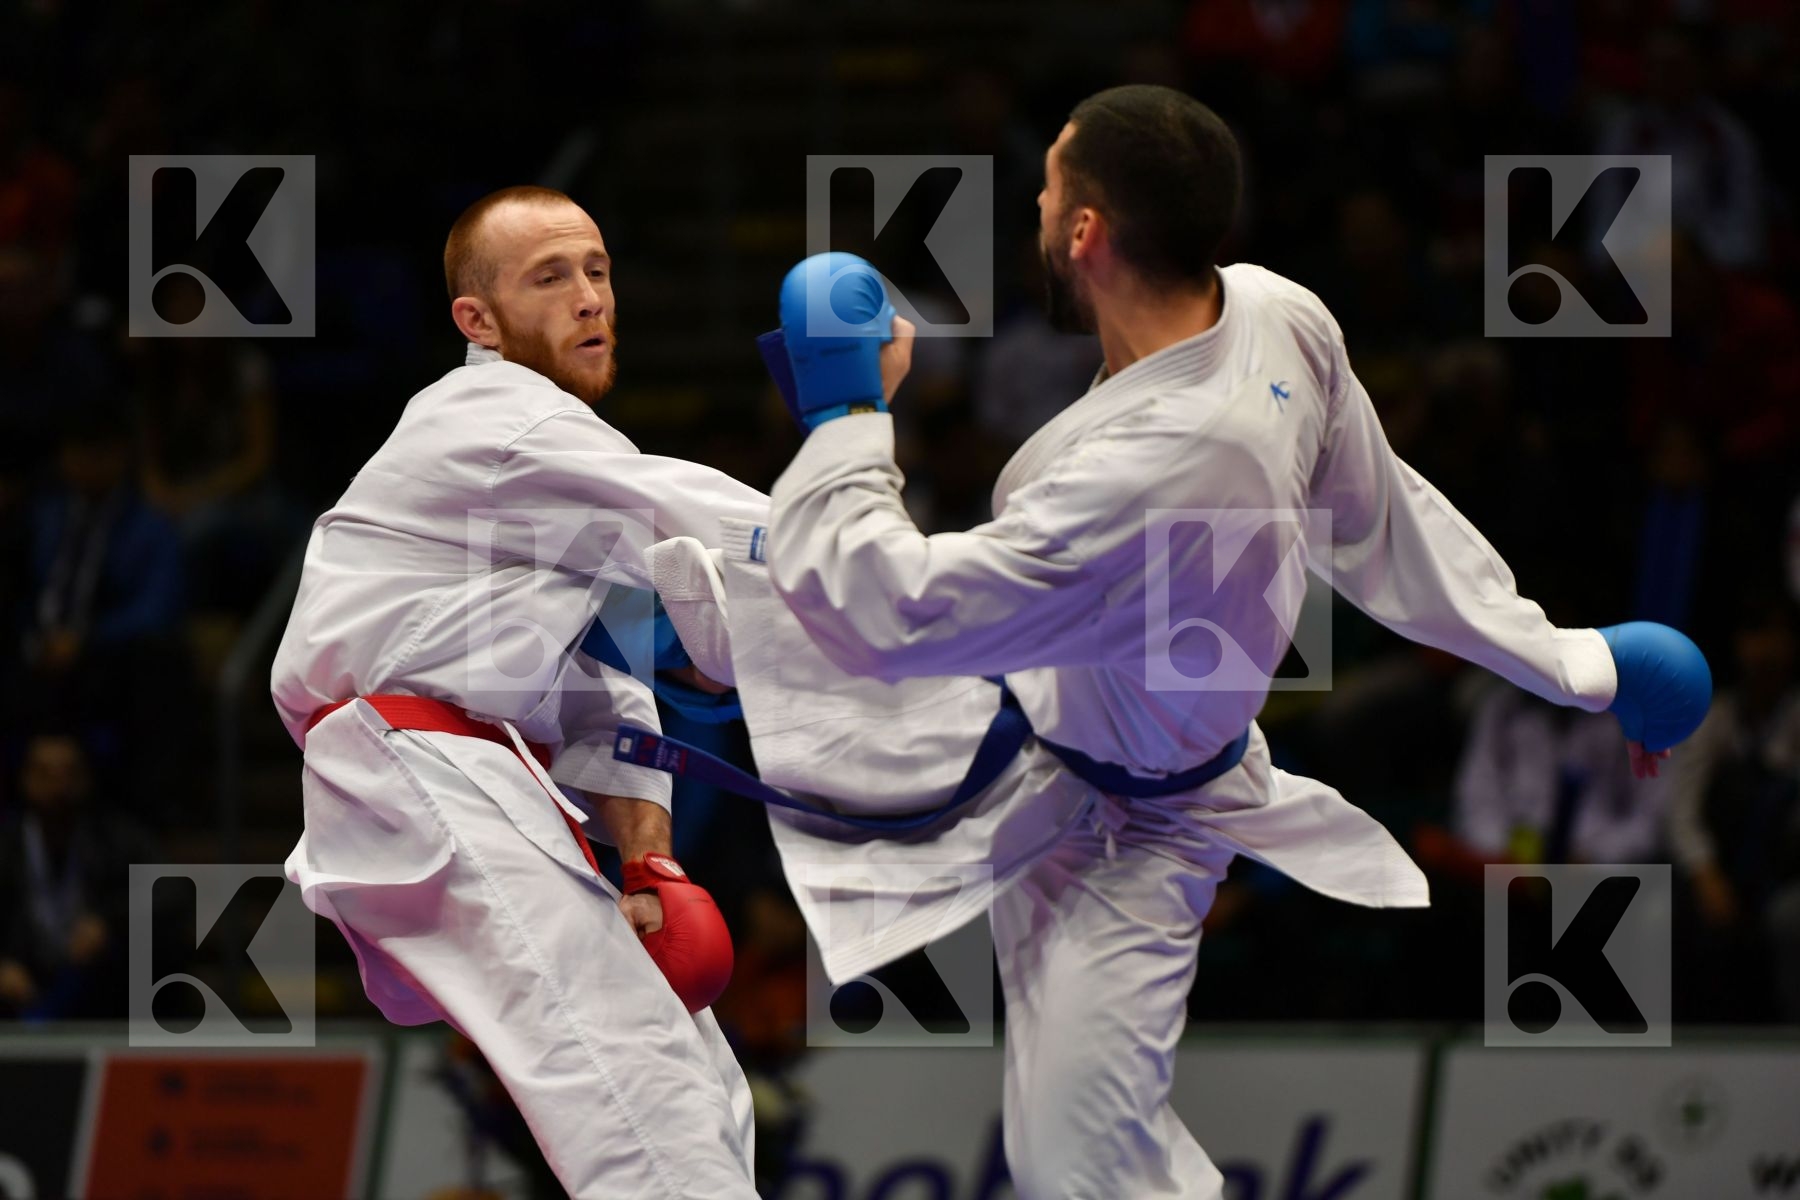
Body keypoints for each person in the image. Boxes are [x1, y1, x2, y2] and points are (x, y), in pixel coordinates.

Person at [631, 86, 1711, 1200]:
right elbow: (1385, 521)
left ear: (1086, 234)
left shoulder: (1168, 459)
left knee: (1075, 1165)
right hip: (1053, 725)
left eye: (1051, 183)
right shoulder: (1278, 313)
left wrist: (849, 413)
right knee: (1068, 1160)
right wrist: (1576, 661)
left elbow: (898, 613)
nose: (1036, 201)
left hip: (1125, 823)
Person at [271, 185, 769, 1197]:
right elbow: (697, 516)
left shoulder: (537, 493)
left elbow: (598, 686)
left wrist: (649, 863)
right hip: (418, 764)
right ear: (478, 320)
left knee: (700, 1077)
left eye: (597, 269)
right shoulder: (500, 416)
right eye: (551, 277)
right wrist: (924, 574)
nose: (589, 297)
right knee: (632, 1079)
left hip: (464, 773)